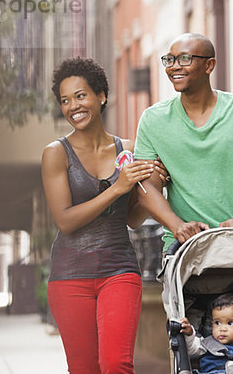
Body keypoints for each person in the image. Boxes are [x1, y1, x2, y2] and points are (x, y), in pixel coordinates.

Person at [41, 57, 168, 374]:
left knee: (116, 364)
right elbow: (66, 220)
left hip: (119, 269)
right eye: (65, 100)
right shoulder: (56, 153)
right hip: (70, 276)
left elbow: (132, 219)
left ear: (101, 96)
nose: (73, 106)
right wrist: (116, 188)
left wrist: (155, 186)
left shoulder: (127, 149)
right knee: (83, 368)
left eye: (80, 95)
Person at [134, 33, 233, 251]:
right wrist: (177, 226)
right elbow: (146, 187)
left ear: (209, 65)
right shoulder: (153, 120)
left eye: (184, 59)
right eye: (169, 60)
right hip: (181, 250)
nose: (174, 67)